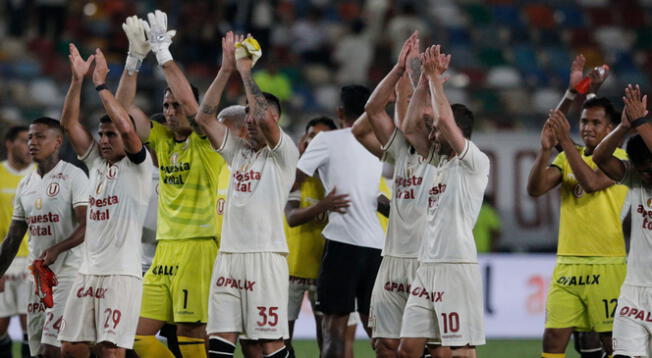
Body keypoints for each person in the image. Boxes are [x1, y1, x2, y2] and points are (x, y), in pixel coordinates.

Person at [116, 13, 225, 358]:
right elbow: (121, 112)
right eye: (166, 105)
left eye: (176, 105)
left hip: (198, 245)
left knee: (191, 331)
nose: (170, 110)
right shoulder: (162, 139)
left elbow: (195, 109)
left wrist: (163, 52)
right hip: (165, 248)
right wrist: (134, 60)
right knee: (135, 337)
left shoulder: (206, 140)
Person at [196, 33, 299, 358]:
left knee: (265, 345)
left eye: (255, 116)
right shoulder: (237, 152)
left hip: (265, 257)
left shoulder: (284, 153)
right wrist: (226, 69)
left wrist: (244, 71)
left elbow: (265, 117)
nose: (250, 121)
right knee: (220, 343)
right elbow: (203, 118)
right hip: (228, 257)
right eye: (247, 117)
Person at [57, 44, 153, 358]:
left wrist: (100, 85)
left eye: (111, 134)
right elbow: (69, 124)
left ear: (127, 138)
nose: (104, 139)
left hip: (121, 273)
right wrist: (76, 81)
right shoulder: (97, 164)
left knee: (110, 350)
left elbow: (125, 123)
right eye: (101, 134)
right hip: (88, 270)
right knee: (71, 346)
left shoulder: (139, 166)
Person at [398, 45, 489, 358]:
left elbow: (447, 124)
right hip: (428, 264)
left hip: (455, 264)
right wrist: (423, 81)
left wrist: (436, 78)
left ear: (457, 132)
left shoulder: (474, 162)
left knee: (461, 349)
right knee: (408, 348)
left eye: (435, 130)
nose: (432, 136)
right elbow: (409, 128)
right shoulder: (438, 162)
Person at [351, 32, 438, 358]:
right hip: (392, 258)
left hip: (426, 260)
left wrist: (421, 80)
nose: (418, 119)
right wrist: (400, 69)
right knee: (385, 344)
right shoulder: (401, 153)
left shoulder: (442, 156)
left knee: (431, 346)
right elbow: (373, 110)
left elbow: (417, 113)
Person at [527, 94, 628, 356]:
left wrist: (564, 144)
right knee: (552, 340)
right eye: (584, 121)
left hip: (606, 263)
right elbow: (535, 189)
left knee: (610, 342)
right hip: (567, 264)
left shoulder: (618, 159)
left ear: (610, 128)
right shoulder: (567, 158)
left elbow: (591, 184)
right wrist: (545, 150)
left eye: (596, 123)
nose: (587, 128)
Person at [296, 82, 384, 358]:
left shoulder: (326, 140)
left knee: (334, 327)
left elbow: (295, 181)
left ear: (339, 111)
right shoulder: (380, 144)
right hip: (376, 247)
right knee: (380, 332)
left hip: (342, 243)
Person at [0, 117, 87, 358]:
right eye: (29, 137)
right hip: (37, 277)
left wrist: (59, 248)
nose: (32, 142)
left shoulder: (74, 176)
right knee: (36, 348)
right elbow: (13, 237)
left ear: (57, 141)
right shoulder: (25, 184)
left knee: (52, 349)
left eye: (40, 137)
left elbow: (87, 224)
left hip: (68, 274)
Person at [593, 84, 652, 358]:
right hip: (633, 291)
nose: (647, 176)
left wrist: (641, 122)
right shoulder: (636, 179)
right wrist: (624, 128)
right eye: (643, 171)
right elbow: (600, 157)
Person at [284, 116, 343, 356]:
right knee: (281, 337)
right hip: (291, 270)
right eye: (309, 136)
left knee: (327, 336)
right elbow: (292, 217)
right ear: (301, 141)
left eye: (320, 138)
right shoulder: (293, 176)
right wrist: (324, 205)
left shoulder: (339, 177)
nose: (312, 142)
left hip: (325, 270)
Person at [0, 125, 33, 357]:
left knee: (30, 325)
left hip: (32, 260)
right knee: (0, 326)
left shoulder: (39, 175)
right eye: (23, 140)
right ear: (9, 144)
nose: (29, 146)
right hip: (4, 257)